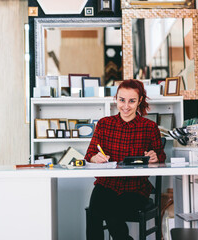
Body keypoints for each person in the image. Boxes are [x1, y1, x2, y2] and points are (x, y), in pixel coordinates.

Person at [85, 79, 166, 240]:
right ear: (116, 98)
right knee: (95, 212)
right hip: (106, 184)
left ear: (140, 101)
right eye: (122, 100)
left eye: (132, 101)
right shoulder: (104, 124)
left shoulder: (149, 127)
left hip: (136, 187)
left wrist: (155, 157)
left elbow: (161, 157)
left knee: (110, 209)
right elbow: (89, 155)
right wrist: (95, 158)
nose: (126, 106)